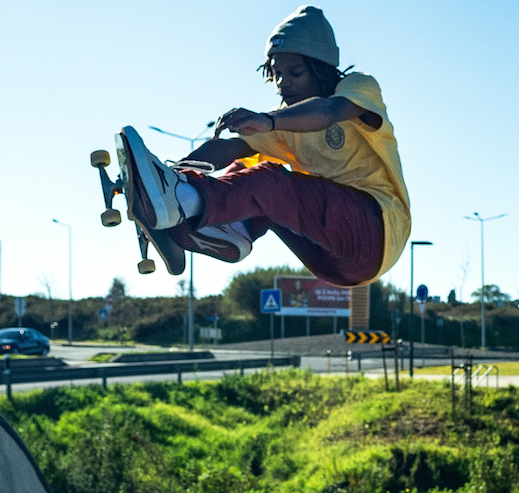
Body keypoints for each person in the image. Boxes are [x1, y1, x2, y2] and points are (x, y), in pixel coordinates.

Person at [116, 5, 409, 287]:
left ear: (322, 70)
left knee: (269, 180)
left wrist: (268, 120)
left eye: (295, 73)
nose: (283, 83)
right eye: (277, 73)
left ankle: (185, 201)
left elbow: (327, 112)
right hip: (332, 261)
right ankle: (227, 229)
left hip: (376, 231)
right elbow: (233, 147)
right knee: (244, 166)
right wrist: (172, 174)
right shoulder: (286, 125)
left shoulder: (357, 89)